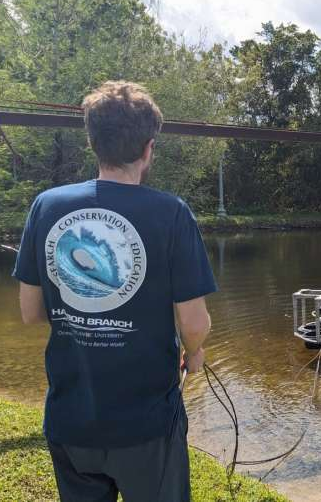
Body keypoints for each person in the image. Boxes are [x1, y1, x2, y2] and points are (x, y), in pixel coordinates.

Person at [13, 81, 217, 501]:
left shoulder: (47, 205)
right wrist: (193, 354)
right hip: (146, 426)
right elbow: (194, 322)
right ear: (148, 149)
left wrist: (86, 311)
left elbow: (31, 312)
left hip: (70, 421)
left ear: (93, 143)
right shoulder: (171, 213)